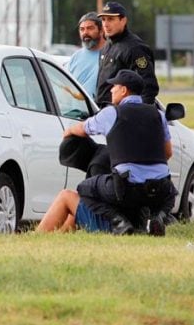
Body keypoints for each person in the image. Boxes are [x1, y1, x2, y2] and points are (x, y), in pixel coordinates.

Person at [38, 69, 177, 235]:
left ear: (124, 90)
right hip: (160, 188)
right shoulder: (158, 115)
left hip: (127, 187)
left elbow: (83, 128)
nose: (111, 90)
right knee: (170, 193)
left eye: (115, 86)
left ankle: (118, 222)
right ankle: (158, 217)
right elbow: (167, 152)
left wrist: (68, 132)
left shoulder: (112, 113)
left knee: (84, 188)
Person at [96, 1, 159, 107]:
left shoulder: (135, 48)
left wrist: (136, 115)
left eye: (111, 19)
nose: (106, 24)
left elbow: (148, 87)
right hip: (105, 111)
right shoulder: (107, 46)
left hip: (122, 114)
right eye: (103, 20)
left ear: (123, 20)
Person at [66, 12, 106, 100]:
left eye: (90, 28)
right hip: (73, 112)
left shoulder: (111, 54)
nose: (85, 33)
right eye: (82, 29)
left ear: (101, 30)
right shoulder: (75, 57)